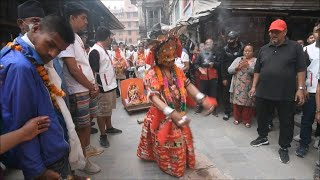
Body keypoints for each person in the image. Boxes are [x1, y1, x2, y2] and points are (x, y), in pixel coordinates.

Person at [0, 15, 75, 179]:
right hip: (47, 158)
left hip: (51, 148)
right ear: (35, 28)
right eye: (50, 44)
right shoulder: (21, 67)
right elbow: (22, 126)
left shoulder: (32, 57)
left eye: (59, 51)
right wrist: (37, 171)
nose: (52, 53)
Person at [137, 34, 217, 177]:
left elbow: (188, 85)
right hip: (161, 116)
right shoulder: (151, 74)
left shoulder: (177, 70)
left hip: (178, 113)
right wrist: (171, 113)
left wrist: (202, 99)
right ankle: (169, 165)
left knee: (182, 140)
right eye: (166, 56)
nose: (170, 59)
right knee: (169, 144)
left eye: (172, 55)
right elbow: (154, 97)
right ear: (158, 56)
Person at [249, 19, 306, 164]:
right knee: (262, 117)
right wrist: (254, 87)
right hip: (263, 91)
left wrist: (300, 89)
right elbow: (257, 70)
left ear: (285, 32)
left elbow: (301, 69)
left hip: (285, 93)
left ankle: (284, 147)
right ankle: (262, 137)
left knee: (286, 121)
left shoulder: (295, 47)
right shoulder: (264, 49)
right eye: (271, 32)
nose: (273, 34)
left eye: (277, 32)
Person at [59, 2, 103, 174]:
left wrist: (92, 86)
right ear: (72, 17)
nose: (86, 22)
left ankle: (85, 155)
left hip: (86, 88)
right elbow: (74, 69)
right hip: (78, 90)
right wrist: (91, 86)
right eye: (83, 18)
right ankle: (82, 162)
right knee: (82, 128)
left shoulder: (76, 36)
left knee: (87, 126)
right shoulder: (67, 38)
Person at [89, 27, 122, 148]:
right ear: (107, 37)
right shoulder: (95, 51)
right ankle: (103, 135)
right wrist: (94, 86)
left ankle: (109, 127)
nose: (111, 40)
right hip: (102, 87)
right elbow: (92, 71)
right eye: (110, 37)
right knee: (101, 112)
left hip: (110, 85)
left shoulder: (103, 49)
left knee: (108, 109)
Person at [228, 44, 256, 128]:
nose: (247, 52)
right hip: (237, 86)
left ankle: (246, 120)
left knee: (248, 104)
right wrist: (237, 67)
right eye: (245, 51)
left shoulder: (255, 60)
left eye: (249, 51)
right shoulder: (238, 59)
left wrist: (248, 66)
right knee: (236, 103)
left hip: (249, 86)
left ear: (253, 52)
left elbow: (256, 73)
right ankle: (237, 118)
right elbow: (229, 70)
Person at [221, 31, 244, 120]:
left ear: (236, 39)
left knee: (239, 94)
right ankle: (227, 112)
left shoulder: (242, 48)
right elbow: (222, 64)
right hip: (227, 75)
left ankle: (238, 113)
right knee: (226, 94)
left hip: (239, 75)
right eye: (228, 38)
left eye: (231, 39)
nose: (229, 40)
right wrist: (223, 77)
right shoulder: (225, 49)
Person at [194, 39, 220, 114]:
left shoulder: (216, 53)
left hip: (213, 76)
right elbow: (196, 64)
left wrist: (214, 64)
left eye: (210, 43)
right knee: (202, 92)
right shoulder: (201, 54)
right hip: (203, 76)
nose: (209, 45)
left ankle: (214, 109)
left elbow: (219, 64)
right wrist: (199, 69)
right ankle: (200, 107)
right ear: (205, 44)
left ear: (213, 44)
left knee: (213, 93)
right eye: (207, 43)